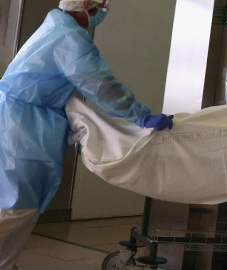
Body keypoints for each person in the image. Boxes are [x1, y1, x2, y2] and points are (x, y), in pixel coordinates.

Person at [0, 1, 173, 269]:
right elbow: (101, 85)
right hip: (22, 130)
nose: (104, 10)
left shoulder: (56, 24)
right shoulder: (69, 38)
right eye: (101, 5)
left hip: (19, 121)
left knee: (15, 204)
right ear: (85, 6)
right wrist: (140, 115)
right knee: (17, 205)